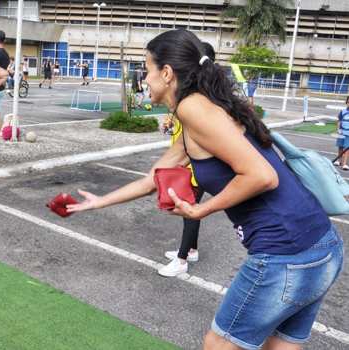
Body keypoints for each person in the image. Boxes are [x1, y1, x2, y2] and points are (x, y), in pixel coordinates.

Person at [67, 29, 343, 350]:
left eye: (147, 69)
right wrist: (99, 202)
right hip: (321, 248)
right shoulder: (203, 110)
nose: (145, 78)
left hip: (285, 253)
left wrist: (201, 209)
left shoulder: (192, 108)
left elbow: (262, 175)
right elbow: (154, 177)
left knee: (218, 345)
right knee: (279, 346)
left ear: (167, 73)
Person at [160, 41, 216, 277]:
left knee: (189, 208)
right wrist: (170, 123)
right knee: (189, 207)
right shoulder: (191, 91)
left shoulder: (203, 94)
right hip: (188, 160)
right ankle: (190, 250)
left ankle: (182, 260)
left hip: (196, 162)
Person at [334, 95, 349, 170]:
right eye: (348, 102)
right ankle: (339, 161)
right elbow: (339, 121)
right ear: (346, 102)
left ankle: (344, 164)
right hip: (341, 132)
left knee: (347, 149)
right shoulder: (343, 111)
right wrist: (338, 129)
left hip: (348, 134)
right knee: (340, 147)